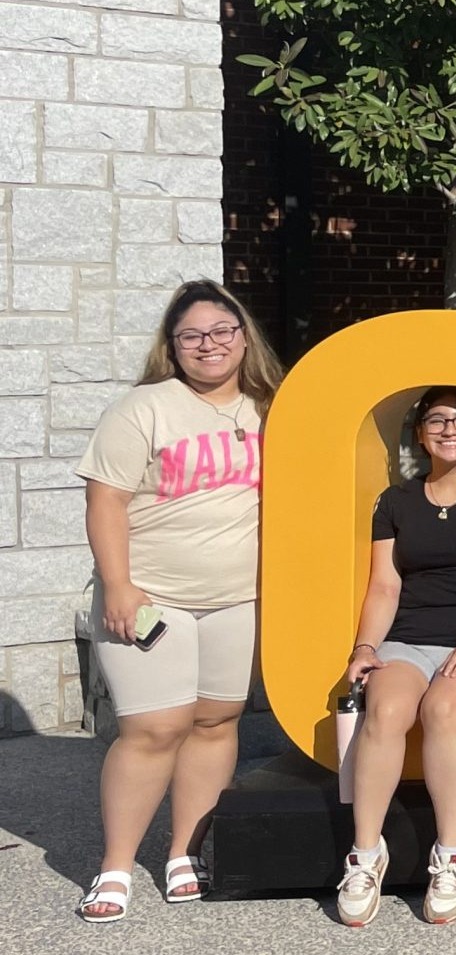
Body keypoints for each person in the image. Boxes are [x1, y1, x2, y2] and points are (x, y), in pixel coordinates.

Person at [74, 282, 282, 921]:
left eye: (222, 331)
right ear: (173, 347)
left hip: (238, 600)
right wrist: (118, 584)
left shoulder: (272, 408)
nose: (209, 345)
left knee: (216, 723)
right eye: (192, 336)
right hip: (151, 595)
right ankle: (115, 865)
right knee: (152, 727)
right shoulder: (144, 407)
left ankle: (185, 852)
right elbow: (105, 498)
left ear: (244, 337)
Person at [335, 387, 456, 927]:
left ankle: (450, 856)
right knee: (387, 711)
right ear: (419, 433)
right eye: (435, 420)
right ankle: (365, 857)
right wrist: (366, 648)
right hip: (407, 641)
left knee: (443, 708)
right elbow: (385, 587)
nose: (449, 428)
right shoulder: (395, 502)